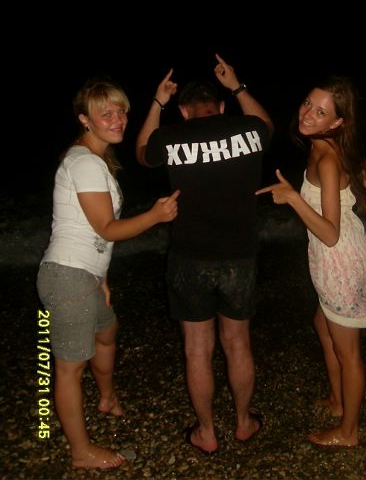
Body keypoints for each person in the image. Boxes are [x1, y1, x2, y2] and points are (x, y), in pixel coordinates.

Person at [37, 77, 180, 470]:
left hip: (84, 276)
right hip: (67, 275)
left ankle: (106, 397)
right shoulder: (84, 162)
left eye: (121, 111)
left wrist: (101, 279)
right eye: (106, 113)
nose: (118, 119)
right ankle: (80, 452)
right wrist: (155, 216)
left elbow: (91, 233)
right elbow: (106, 228)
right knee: (69, 368)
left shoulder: (95, 160)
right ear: (85, 119)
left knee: (107, 333)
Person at [135, 54, 274, 454]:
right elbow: (268, 126)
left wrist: (157, 102)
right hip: (239, 256)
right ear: (222, 107)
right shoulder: (248, 129)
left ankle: (207, 432)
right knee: (238, 343)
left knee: (197, 348)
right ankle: (243, 423)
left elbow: (142, 151)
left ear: (184, 111)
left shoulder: (172, 136)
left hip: (190, 257)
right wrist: (237, 85)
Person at [256, 74, 366, 448]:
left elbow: (329, 233)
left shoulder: (327, 158)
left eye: (321, 112)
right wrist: (347, 195)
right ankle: (337, 399)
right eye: (308, 103)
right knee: (322, 323)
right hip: (343, 253)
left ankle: (349, 430)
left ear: (337, 121)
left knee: (349, 353)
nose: (308, 113)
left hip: (339, 260)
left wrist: (294, 198)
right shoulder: (331, 144)